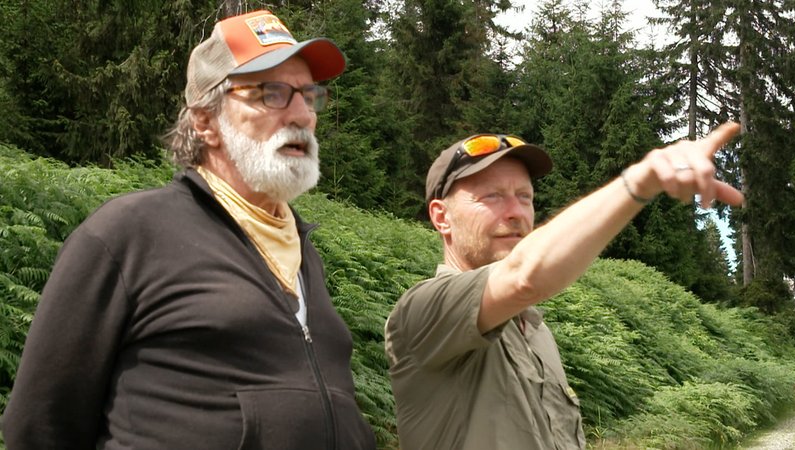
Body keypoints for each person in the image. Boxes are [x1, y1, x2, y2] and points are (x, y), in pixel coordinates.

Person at [2, 10, 376, 449]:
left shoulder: (303, 251)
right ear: (204, 122)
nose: (302, 114)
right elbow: (39, 427)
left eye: (309, 95)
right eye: (272, 93)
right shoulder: (127, 235)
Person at [384, 125, 743, 449]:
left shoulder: (534, 331)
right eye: (491, 196)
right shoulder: (420, 314)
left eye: (524, 197)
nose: (516, 212)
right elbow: (524, 275)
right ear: (440, 217)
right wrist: (640, 182)